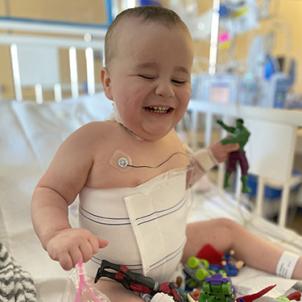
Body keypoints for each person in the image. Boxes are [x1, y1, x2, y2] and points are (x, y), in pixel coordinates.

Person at [31, 6, 302, 302]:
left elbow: (178, 181)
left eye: (179, 80)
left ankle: (291, 264)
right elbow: (50, 191)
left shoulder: (173, 138)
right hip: (118, 277)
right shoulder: (92, 140)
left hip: (173, 254)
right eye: (147, 75)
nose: (165, 89)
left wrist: (211, 155)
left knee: (226, 228)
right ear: (108, 82)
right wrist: (57, 232)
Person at [217, 118, 251, 193]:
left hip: (240, 151)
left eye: (237, 123)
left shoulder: (245, 132)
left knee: (245, 167)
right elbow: (229, 129)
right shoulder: (237, 130)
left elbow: (236, 139)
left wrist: (226, 141)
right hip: (234, 152)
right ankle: (225, 182)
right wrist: (222, 124)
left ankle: (244, 187)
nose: (236, 125)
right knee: (230, 167)